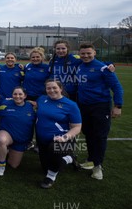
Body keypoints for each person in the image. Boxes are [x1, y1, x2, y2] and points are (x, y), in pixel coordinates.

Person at [75, 43, 124, 180]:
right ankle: (91, 160)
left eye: (88, 53)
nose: (85, 56)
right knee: (89, 134)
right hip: (84, 106)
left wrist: (118, 106)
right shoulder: (79, 65)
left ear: (94, 53)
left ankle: (98, 167)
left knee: (99, 136)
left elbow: (117, 87)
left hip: (100, 106)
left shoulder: (103, 68)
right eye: (83, 53)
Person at [35, 79, 82, 188]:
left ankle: (50, 178)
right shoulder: (42, 99)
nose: (51, 90)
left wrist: (65, 138)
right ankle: (70, 158)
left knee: (52, 167)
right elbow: (35, 106)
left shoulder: (71, 105)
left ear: (60, 89)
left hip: (61, 140)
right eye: (48, 88)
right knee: (45, 168)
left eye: (54, 88)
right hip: (42, 140)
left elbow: (77, 127)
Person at [0, 87, 36, 176]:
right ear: (12, 95)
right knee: (2, 140)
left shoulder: (32, 107)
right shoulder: (5, 104)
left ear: (25, 96)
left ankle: (6, 150)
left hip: (21, 140)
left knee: (14, 165)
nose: (17, 96)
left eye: (20, 94)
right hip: (7, 134)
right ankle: (1, 165)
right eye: (15, 94)